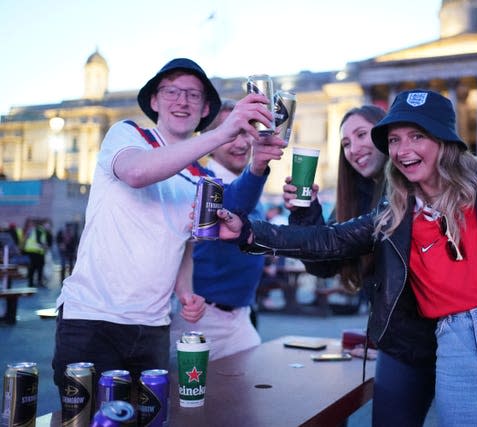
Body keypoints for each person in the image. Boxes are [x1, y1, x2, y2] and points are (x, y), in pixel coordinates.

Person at [218, 89, 477, 425]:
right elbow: (330, 243)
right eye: (394, 139)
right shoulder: (395, 210)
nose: (402, 149)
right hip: (452, 349)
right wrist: (250, 231)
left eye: (416, 136)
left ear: (443, 140)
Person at [52, 58, 284, 394]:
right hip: (93, 318)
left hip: (154, 327)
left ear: (204, 108)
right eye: (172, 91)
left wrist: (186, 292)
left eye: (192, 95)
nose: (182, 100)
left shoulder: (201, 178)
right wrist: (221, 133)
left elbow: (185, 244)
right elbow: (136, 173)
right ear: (155, 101)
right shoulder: (129, 135)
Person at [284, 105, 437, 424]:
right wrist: (305, 211)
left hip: (446, 338)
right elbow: (323, 265)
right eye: (345, 144)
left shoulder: (418, 185)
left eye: (361, 135)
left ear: (385, 136)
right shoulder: (351, 199)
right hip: (401, 348)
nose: (354, 149)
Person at [170, 98, 279, 361]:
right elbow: (233, 204)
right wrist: (258, 168)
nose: (241, 143)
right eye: (232, 132)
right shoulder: (203, 181)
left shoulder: (249, 185)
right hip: (201, 318)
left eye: (246, 132)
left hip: (241, 316)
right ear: (210, 138)